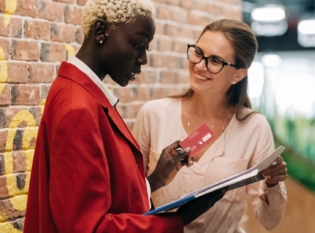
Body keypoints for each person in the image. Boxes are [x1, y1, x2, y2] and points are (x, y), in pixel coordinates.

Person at [23, 0, 225, 232]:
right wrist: (178, 220)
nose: (143, 60)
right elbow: (89, 227)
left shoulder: (78, 92)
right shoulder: (77, 107)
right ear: (101, 32)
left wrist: (155, 179)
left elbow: (104, 200)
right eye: (138, 45)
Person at [132, 19, 288, 233]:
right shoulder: (154, 114)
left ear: (238, 74)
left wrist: (272, 183)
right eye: (198, 52)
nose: (199, 65)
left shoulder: (254, 127)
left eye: (215, 61)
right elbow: (128, 196)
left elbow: (269, 220)